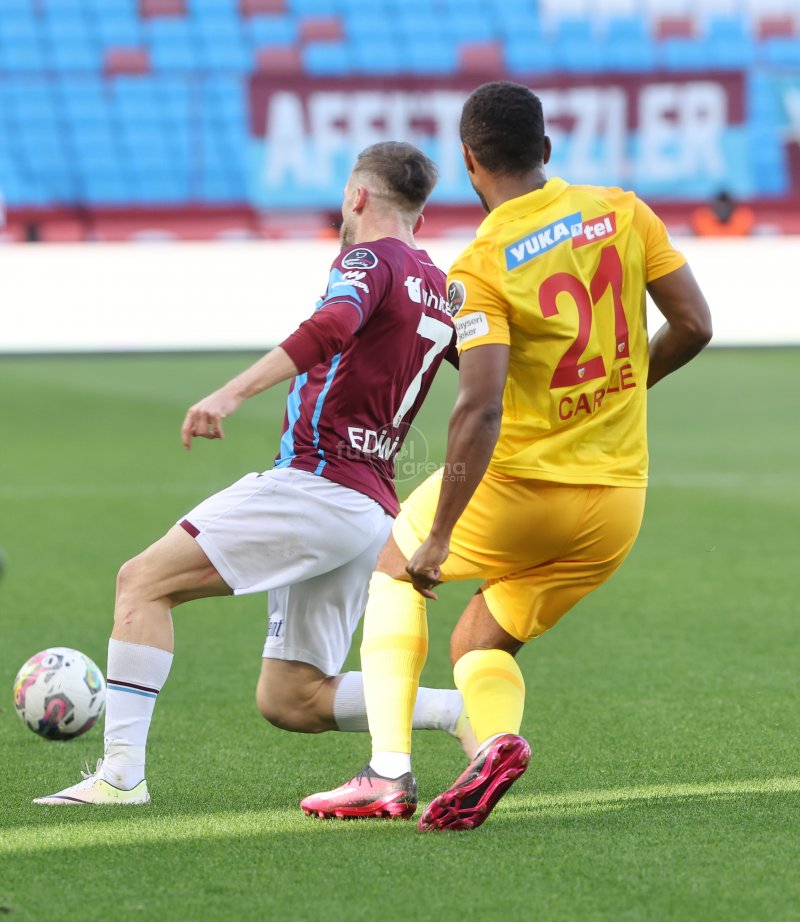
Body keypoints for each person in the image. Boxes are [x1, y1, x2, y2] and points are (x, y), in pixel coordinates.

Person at [301, 81, 713, 829]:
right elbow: (694, 324)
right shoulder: (624, 211)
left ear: (469, 161)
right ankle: (494, 741)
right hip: (617, 506)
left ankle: (387, 773)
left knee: (393, 569)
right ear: (546, 148)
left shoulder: (482, 265)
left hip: (524, 487)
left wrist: (439, 535)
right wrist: (622, 390)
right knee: (479, 638)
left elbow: (480, 406)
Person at [34, 141, 475, 807]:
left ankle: (120, 776)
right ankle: (460, 711)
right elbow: (485, 379)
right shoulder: (441, 289)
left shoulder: (368, 260)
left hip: (316, 484)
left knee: (142, 583)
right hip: (369, 511)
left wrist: (230, 392)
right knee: (292, 697)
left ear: (357, 196)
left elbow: (332, 325)